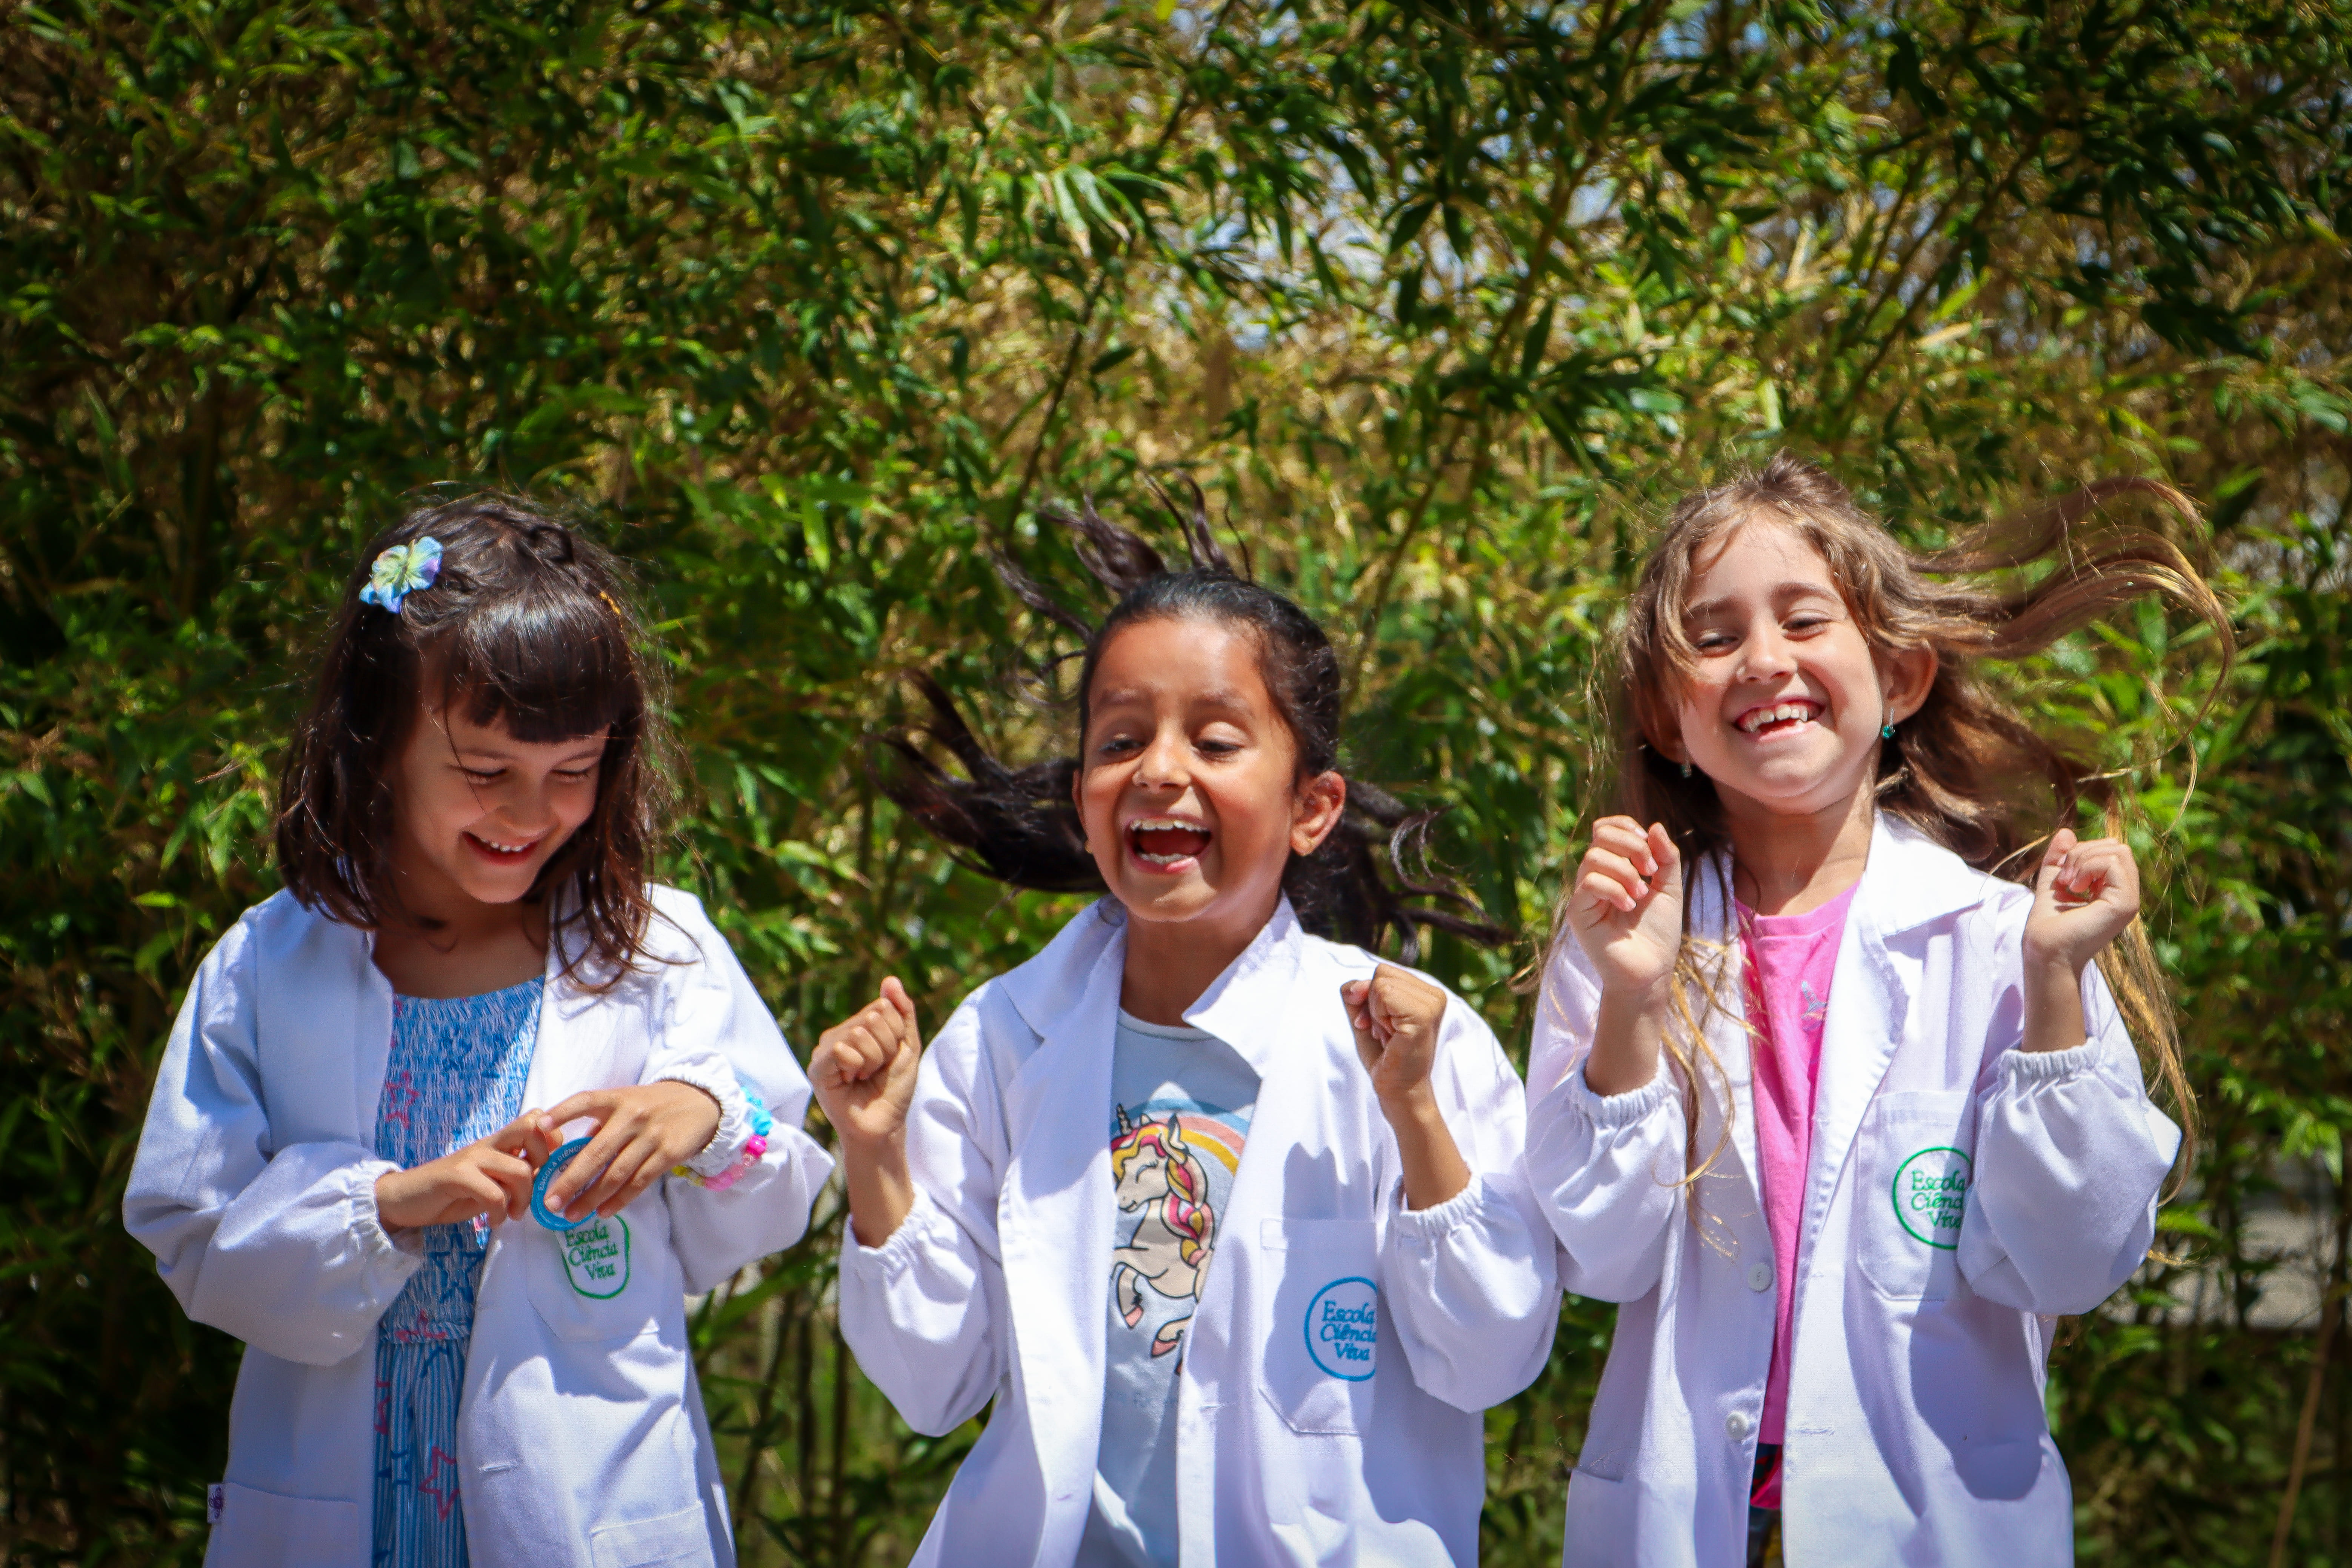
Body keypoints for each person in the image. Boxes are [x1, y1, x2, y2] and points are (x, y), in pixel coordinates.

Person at [811, 493, 1558, 1566]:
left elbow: (1488, 1357)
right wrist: (874, 1153)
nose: (1159, 769)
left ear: (1313, 807)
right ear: (1083, 799)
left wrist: (1415, 1116)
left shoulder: (1407, 1047)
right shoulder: (1001, 1039)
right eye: (1122, 740)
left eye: (1214, 737)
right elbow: (934, 1383)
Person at [1527, 455, 2227, 1567]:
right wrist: (1632, 997)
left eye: (1804, 619)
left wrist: (2054, 992)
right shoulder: (1620, 937)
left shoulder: (2003, 942)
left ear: (1899, 677)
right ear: (1666, 717)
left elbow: (2075, 1261)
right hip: (1686, 1519)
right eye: (1712, 639)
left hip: (1929, 1523)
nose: (1764, 660)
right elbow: (1601, 1254)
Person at [123, 495, 833, 1568]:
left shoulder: (659, 950)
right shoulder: (269, 965)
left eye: (572, 773)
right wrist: (389, 1204)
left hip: (595, 1501)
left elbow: (770, 1206)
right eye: (485, 771)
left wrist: (699, 1113)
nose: (528, 816)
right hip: (341, 1506)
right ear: (380, 738)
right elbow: (187, 1229)